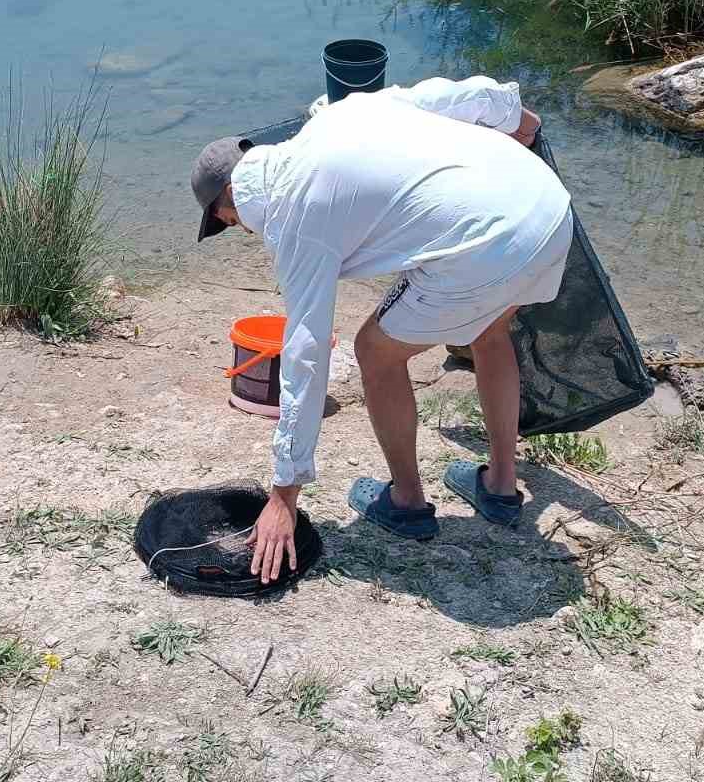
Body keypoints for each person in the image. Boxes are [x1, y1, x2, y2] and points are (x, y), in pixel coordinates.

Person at [190, 76, 573, 584]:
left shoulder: (291, 213)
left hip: (486, 243)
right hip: (547, 208)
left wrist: (284, 495)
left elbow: (305, 352)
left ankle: (407, 502)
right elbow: (464, 95)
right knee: (488, 333)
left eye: (231, 223)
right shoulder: (339, 115)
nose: (242, 228)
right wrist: (518, 118)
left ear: (226, 205)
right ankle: (501, 486)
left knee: (375, 350)